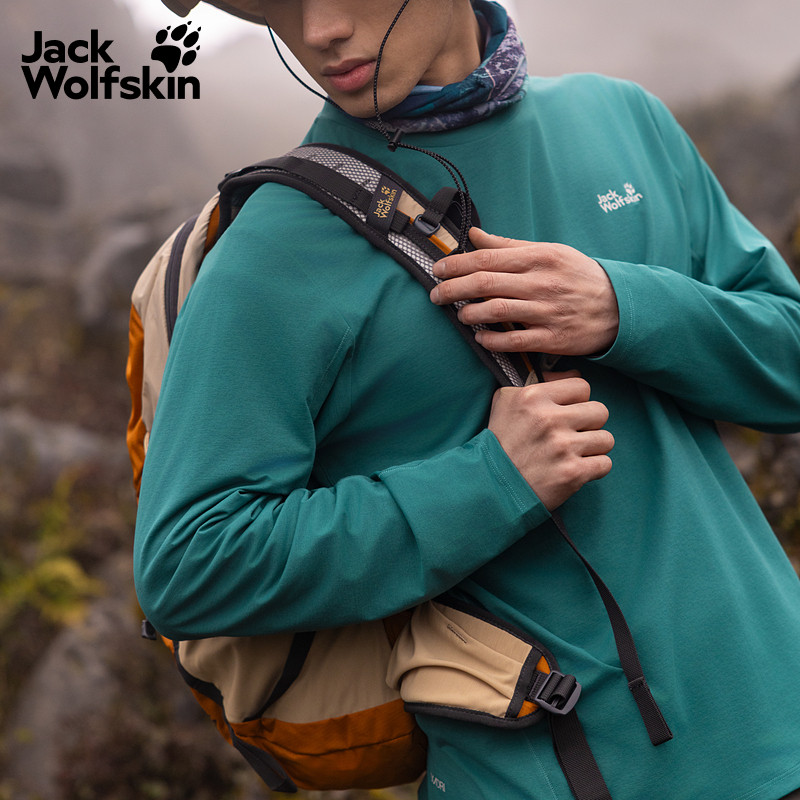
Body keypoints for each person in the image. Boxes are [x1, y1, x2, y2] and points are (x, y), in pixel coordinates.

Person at [132, 1, 800, 798]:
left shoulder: (624, 119)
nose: (317, 31)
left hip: (781, 711)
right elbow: (188, 563)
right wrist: (491, 482)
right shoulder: (275, 247)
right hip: (547, 772)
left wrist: (625, 307)